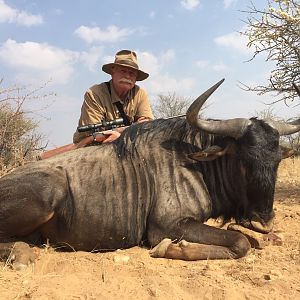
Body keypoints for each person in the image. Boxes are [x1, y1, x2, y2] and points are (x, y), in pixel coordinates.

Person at [73, 49, 154, 144]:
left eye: (132, 73)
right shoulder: (95, 93)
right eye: (123, 71)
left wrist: (119, 133)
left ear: (136, 79)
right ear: (112, 73)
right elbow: (92, 133)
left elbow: (147, 125)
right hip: (90, 143)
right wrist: (128, 130)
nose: (127, 76)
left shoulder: (140, 93)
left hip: (124, 143)